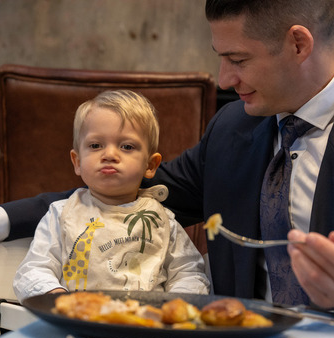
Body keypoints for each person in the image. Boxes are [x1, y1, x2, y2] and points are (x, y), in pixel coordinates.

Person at [0, 0, 334, 308]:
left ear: (299, 44)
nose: (224, 78)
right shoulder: (233, 129)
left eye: (238, 59)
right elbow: (117, 193)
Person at [12, 90, 209, 302]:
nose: (109, 155)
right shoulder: (61, 215)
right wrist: (57, 298)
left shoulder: (163, 221)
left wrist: (173, 306)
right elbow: (33, 270)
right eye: (96, 145)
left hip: (146, 320)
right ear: (77, 161)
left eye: (127, 146)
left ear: (150, 165)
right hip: (77, 317)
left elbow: (190, 274)